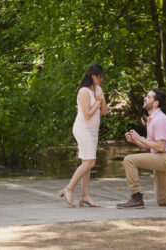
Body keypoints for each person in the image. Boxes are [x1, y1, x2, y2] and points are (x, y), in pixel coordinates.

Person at [58, 64, 108, 207]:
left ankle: (85, 195)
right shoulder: (83, 92)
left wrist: (102, 100)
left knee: (87, 163)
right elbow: (87, 114)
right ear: (93, 76)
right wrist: (97, 101)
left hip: (93, 130)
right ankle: (69, 189)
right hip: (82, 128)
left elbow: (104, 112)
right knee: (90, 161)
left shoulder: (98, 89)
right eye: (100, 76)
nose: (102, 79)